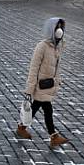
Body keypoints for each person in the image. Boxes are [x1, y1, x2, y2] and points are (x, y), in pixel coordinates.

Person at [16, 17, 70, 150]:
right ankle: (53, 136)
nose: (59, 30)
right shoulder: (42, 46)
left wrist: (58, 81)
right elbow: (33, 68)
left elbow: (56, 67)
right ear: (52, 29)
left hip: (48, 84)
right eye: (57, 27)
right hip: (41, 85)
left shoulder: (58, 47)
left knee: (37, 108)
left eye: (61, 27)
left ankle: (22, 128)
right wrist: (29, 89)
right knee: (47, 109)